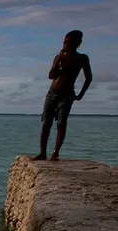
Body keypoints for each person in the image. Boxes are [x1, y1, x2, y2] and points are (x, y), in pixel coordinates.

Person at [36, 30, 93, 161]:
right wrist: (58, 59)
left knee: (61, 123)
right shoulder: (59, 57)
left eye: (68, 42)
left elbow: (88, 78)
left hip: (67, 95)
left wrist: (81, 94)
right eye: (64, 42)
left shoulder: (82, 58)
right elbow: (51, 75)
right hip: (52, 94)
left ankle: (55, 153)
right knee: (46, 123)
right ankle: (42, 152)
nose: (65, 45)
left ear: (77, 43)